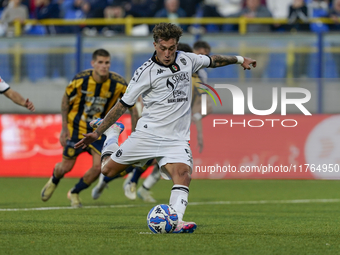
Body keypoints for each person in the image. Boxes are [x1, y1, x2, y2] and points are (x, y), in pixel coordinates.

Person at [75, 23, 256, 233]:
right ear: (155, 45)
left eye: (172, 48)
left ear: (177, 45)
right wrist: (98, 132)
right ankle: (113, 134)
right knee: (107, 169)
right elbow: (123, 104)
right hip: (147, 135)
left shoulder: (187, 59)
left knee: (183, 174)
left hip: (176, 139)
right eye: (163, 48)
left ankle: (176, 221)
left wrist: (241, 59)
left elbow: (213, 61)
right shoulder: (144, 73)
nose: (168, 53)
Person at [41, 48, 138, 208]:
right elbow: (66, 99)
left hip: (99, 131)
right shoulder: (81, 80)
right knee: (65, 167)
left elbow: (133, 108)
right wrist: (64, 128)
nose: (104, 66)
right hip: (77, 130)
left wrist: (135, 133)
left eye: (107, 63)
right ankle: (54, 179)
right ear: (93, 63)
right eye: (100, 62)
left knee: (99, 167)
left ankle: (74, 192)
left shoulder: (119, 84)